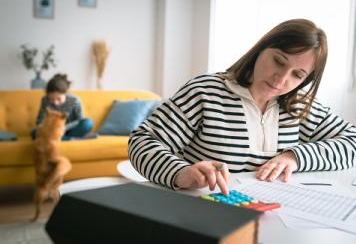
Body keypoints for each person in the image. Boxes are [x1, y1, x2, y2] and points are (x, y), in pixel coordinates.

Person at [128, 19, 356, 195]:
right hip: (203, 214)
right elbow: (142, 142)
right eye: (278, 60)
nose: (281, 79)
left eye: (297, 75)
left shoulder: (298, 106)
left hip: (272, 218)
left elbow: (353, 142)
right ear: (261, 49)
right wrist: (180, 172)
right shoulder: (206, 92)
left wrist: (294, 157)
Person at [31, 73, 94, 141]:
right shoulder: (45, 100)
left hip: (70, 130)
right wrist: (49, 128)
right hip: (52, 132)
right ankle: (71, 139)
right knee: (34, 132)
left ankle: (62, 138)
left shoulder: (75, 100)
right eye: (51, 99)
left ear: (65, 93)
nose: (55, 102)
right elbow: (39, 121)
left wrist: (64, 127)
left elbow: (80, 120)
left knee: (88, 122)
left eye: (59, 99)